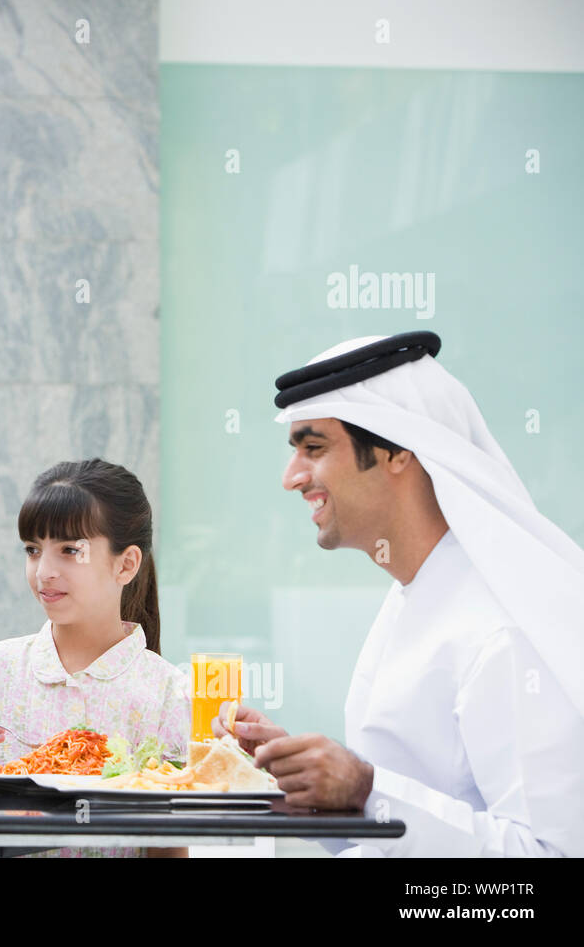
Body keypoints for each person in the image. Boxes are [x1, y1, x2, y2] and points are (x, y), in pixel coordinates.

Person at [218, 331, 584, 856]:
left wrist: (368, 790)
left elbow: (547, 857)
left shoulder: (502, 630)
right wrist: (313, 785)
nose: (291, 477)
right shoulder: (416, 595)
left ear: (395, 453)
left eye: (313, 448)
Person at [0, 459, 190, 856]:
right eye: (32, 550)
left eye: (69, 550)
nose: (43, 571)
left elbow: (167, 848)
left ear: (126, 563)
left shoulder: (169, 692)